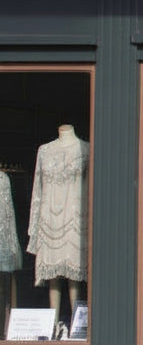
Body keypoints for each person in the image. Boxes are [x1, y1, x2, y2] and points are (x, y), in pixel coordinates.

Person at [27, 124, 89, 321]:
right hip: (49, 219)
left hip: (74, 217)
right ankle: (51, 323)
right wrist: (34, 223)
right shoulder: (44, 151)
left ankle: (75, 323)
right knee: (52, 276)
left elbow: (89, 189)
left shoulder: (86, 149)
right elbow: (38, 188)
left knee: (74, 275)